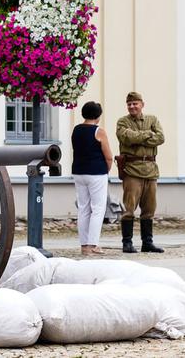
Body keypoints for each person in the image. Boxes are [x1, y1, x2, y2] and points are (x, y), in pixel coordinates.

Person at [116, 91, 165, 253]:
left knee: (149, 209)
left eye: (135, 103)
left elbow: (160, 138)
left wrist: (138, 137)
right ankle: (127, 242)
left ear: (142, 104)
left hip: (150, 170)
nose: (132, 107)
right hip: (132, 170)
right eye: (129, 104)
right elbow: (126, 138)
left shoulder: (153, 119)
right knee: (129, 208)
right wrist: (147, 135)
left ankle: (147, 243)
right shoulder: (122, 122)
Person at [72, 101, 113, 255]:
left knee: (83, 208)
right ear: (98, 116)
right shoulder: (99, 131)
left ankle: (84, 246)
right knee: (97, 209)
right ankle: (93, 244)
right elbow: (108, 156)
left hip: (78, 172)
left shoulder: (76, 130)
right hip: (96, 173)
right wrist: (107, 169)